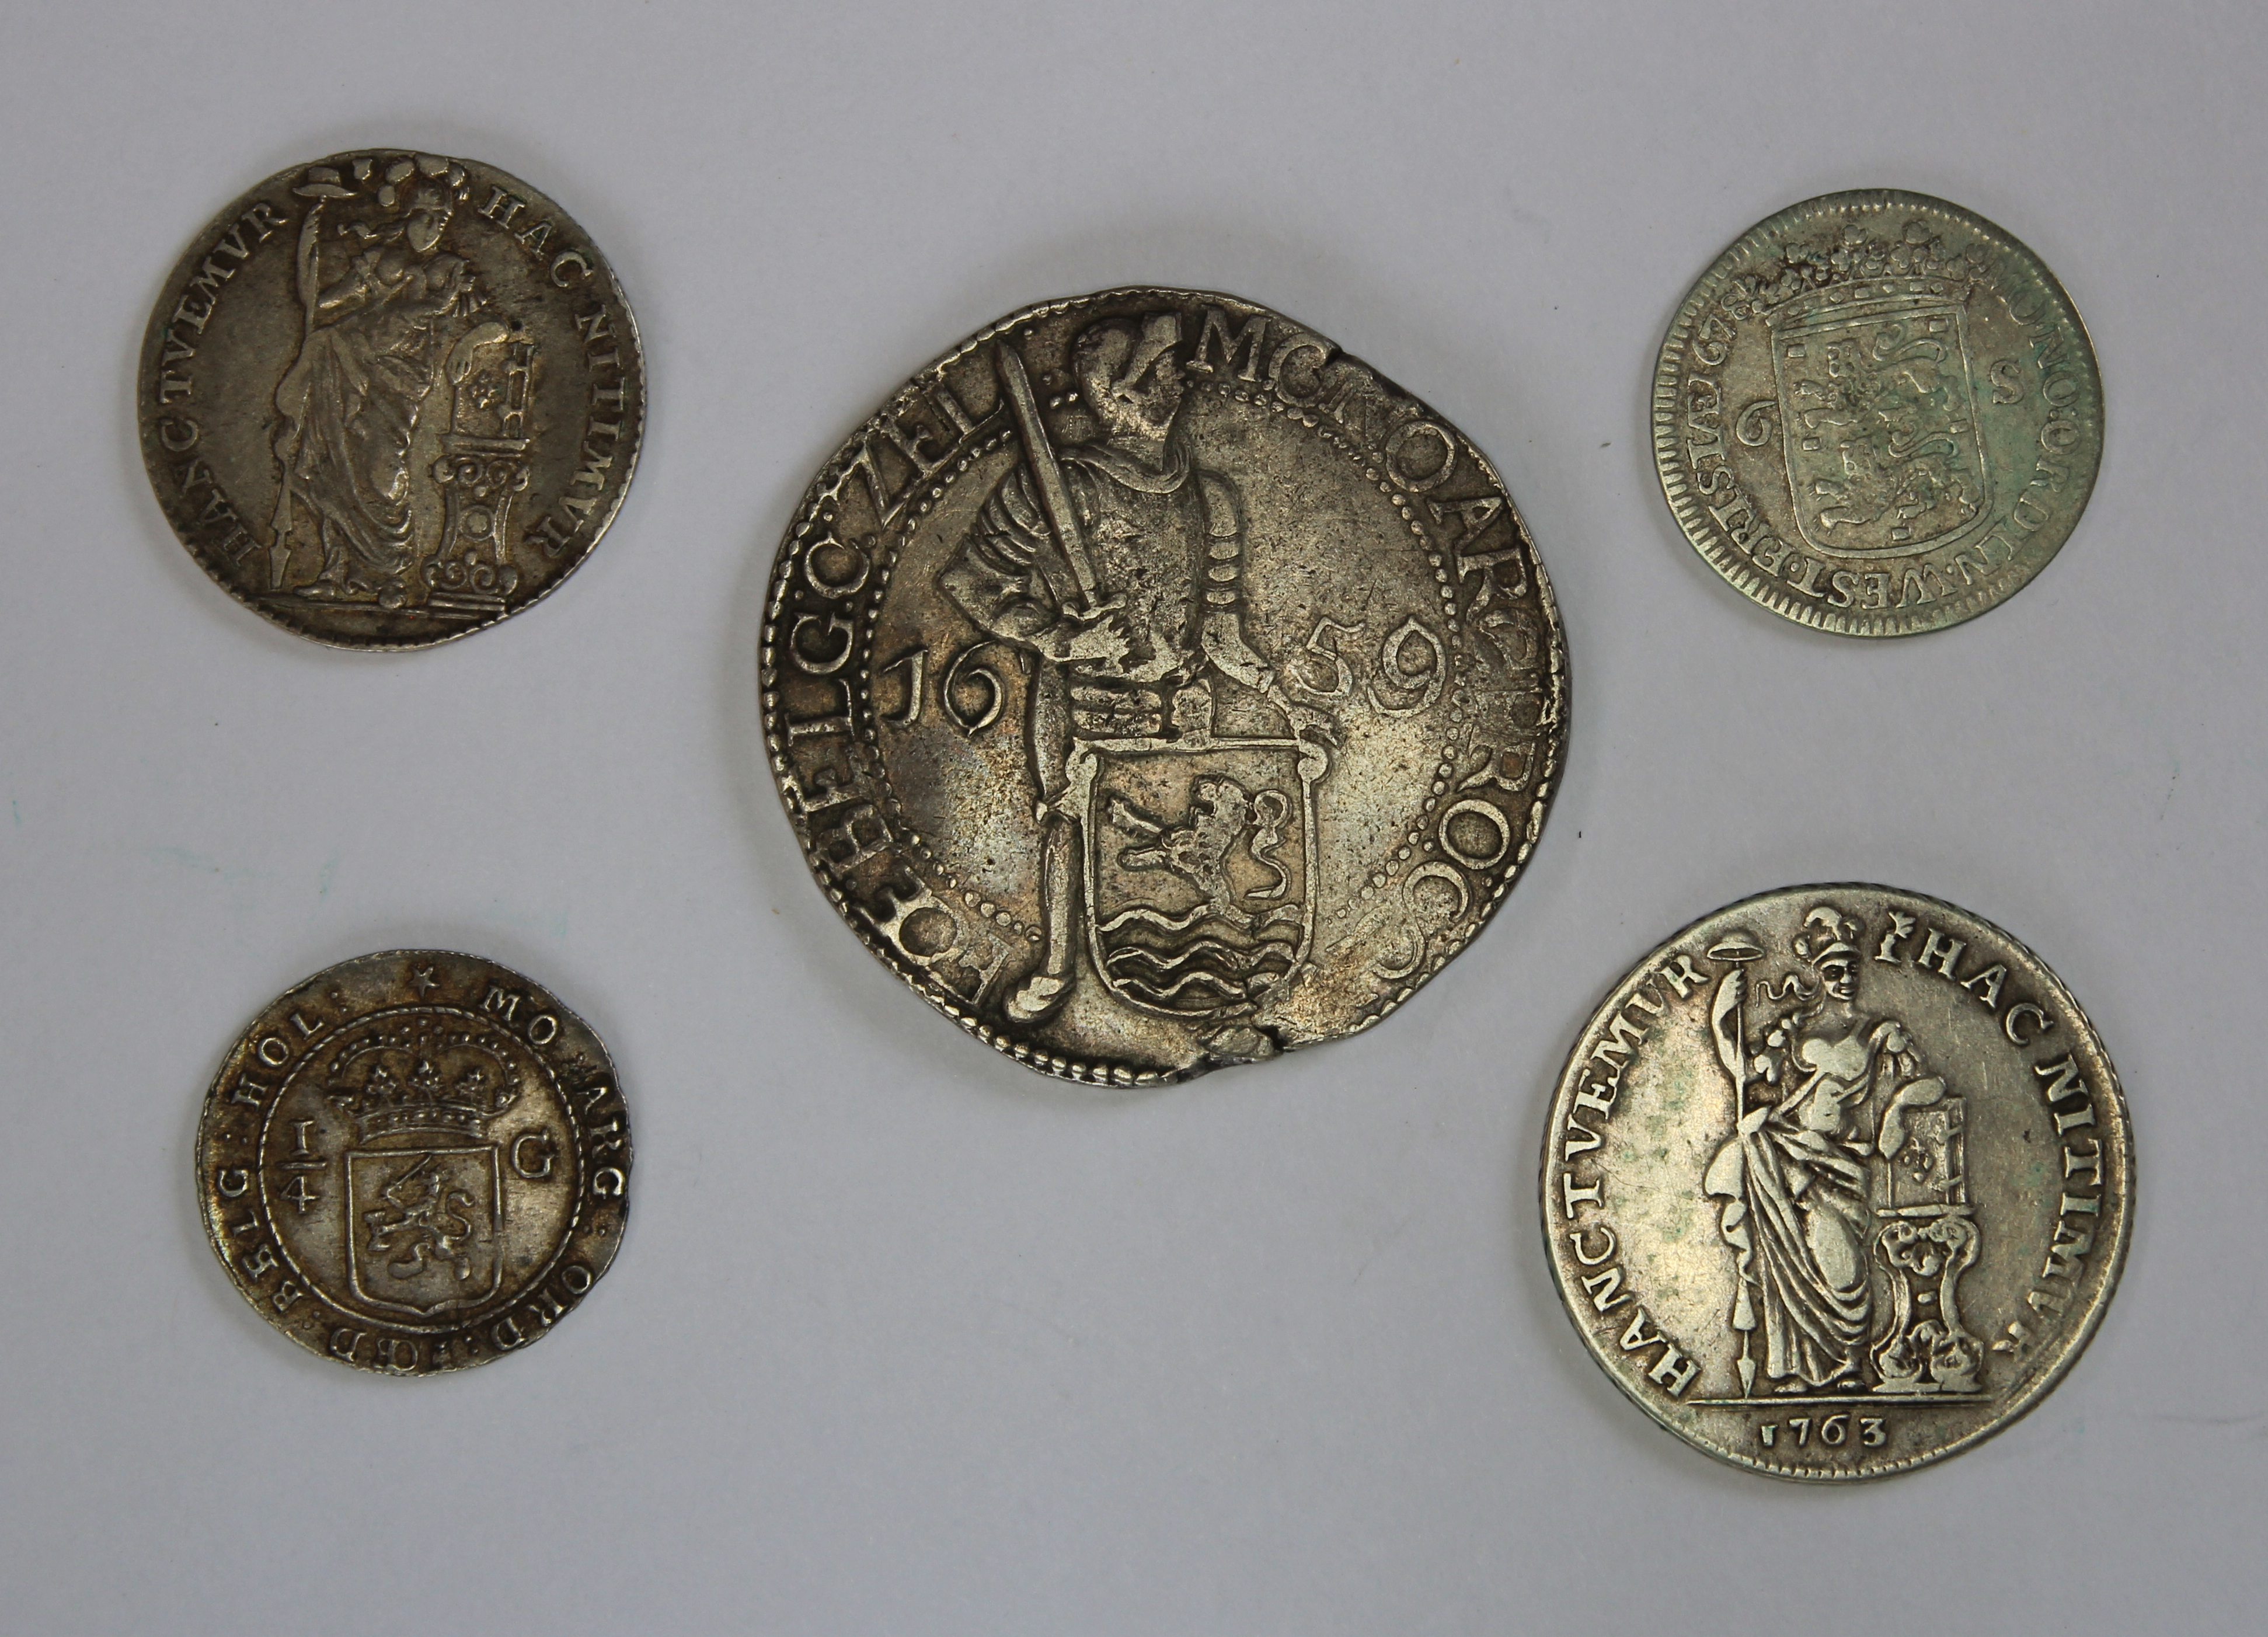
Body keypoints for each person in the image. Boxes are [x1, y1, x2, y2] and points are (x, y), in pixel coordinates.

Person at [940, 312, 1329, 1023]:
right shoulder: (1059, 489)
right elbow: (971, 581)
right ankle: (1059, 965)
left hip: (1180, 704)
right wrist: (1063, 639)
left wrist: (1283, 699)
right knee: (1068, 818)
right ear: (1119, 393)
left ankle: (1205, 951)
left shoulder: (1210, 498)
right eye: (1160, 369)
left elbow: (1221, 633)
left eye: (1172, 365)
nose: (1178, 377)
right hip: (1082, 699)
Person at [1703, 906, 1935, 1392]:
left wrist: (1896, 1110)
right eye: (1833, 970)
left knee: (1843, 1266)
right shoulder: (1792, 1031)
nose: (1844, 978)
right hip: (1787, 1150)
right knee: (1789, 1259)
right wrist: (1722, 1013)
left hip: (1840, 1161)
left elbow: (1927, 1084)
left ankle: (1850, 1363)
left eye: (1851, 968)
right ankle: (1797, 1369)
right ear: (1818, 974)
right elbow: (1743, 1073)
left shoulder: (1879, 1032)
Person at [270, 183, 476, 598]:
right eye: (427, 216)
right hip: (350, 367)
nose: (435, 226)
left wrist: (469, 341)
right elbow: (325, 303)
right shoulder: (381, 260)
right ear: (409, 216)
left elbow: (482, 320)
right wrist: (308, 260)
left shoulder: (450, 268)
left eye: (443, 220)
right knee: (336, 463)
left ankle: (392, 572)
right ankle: (334, 573)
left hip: (402, 379)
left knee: (383, 472)